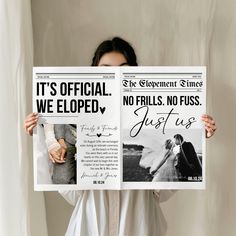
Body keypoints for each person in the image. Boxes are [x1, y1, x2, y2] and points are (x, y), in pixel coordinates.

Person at [24, 37, 217, 236]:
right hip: (91, 225)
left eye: (123, 68)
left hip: (140, 223)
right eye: (106, 69)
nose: (115, 75)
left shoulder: (150, 116)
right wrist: (41, 139)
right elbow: (72, 192)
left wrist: (198, 134)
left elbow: (161, 191)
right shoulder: (76, 120)